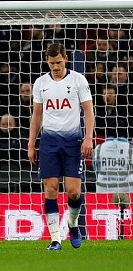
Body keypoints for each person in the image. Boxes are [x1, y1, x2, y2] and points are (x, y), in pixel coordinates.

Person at [28, 43, 94, 251]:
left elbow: (88, 111)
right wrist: (31, 143)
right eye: (51, 63)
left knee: (74, 192)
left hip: (73, 142)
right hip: (49, 142)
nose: (55, 67)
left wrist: (88, 137)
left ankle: (73, 225)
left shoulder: (78, 80)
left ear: (65, 59)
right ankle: (56, 239)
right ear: (47, 61)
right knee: (50, 189)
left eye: (58, 62)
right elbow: (37, 115)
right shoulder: (41, 83)